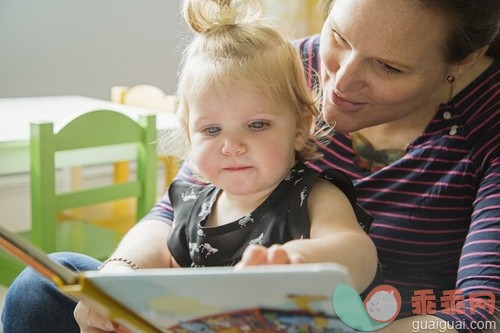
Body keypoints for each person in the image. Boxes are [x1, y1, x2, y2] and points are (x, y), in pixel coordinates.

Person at [2, 0, 499, 332]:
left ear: (464, 59)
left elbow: (482, 311)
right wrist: (121, 274)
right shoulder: (278, 69)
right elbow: (172, 212)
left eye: (389, 67)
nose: (341, 82)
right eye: (339, 38)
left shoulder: (315, 192)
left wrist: (304, 272)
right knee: (49, 282)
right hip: (192, 316)